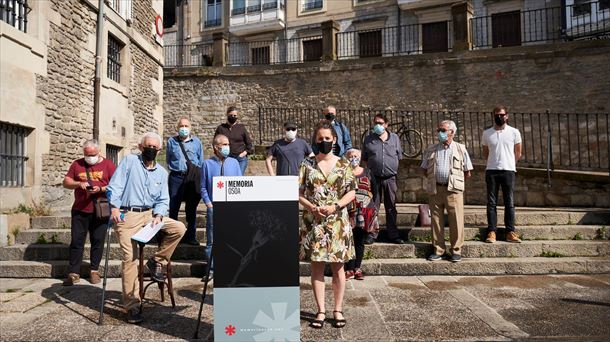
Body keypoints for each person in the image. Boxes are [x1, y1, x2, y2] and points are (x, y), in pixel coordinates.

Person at [107, 132, 186, 324]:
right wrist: (115, 207)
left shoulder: (161, 172)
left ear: (159, 150)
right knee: (130, 258)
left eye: (154, 147)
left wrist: (159, 214)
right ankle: (132, 306)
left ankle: (156, 260)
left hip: (150, 215)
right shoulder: (129, 162)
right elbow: (115, 186)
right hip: (128, 214)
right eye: (147, 146)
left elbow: (163, 199)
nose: (151, 149)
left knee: (179, 228)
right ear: (141, 147)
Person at [299, 121, 356, 329]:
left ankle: (338, 309)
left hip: (337, 222)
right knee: (317, 268)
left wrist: (336, 205)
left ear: (334, 140)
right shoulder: (307, 164)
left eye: (327, 138)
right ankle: (321, 310)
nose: (324, 141)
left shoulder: (344, 164)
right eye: (320, 138)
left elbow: (352, 191)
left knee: (338, 268)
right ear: (316, 140)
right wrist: (312, 207)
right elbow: (299, 193)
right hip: (314, 222)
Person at [62, 139, 116, 286]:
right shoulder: (77, 164)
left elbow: (116, 185)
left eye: (92, 154)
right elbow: (66, 182)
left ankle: (94, 271)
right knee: (76, 241)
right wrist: (79, 184)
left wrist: (101, 189)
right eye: (87, 154)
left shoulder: (108, 165)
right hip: (80, 209)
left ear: (99, 152)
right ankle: (74, 273)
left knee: (98, 241)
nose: (89, 157)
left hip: (100, 210)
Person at [421, 120, 473, 263]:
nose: (440, 133)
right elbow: (424, 169)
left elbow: (467, 172)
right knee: (436, 221)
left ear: (452, 132)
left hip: (453, 190)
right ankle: (438, 250)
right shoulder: (431, 149)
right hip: (436, 188)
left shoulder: (460, 149)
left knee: (456, 220)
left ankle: (456, 250)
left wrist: (456, 183)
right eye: (439, 130)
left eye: (443, 130)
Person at [200, 134, 242, 278]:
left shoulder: (234, 163)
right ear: (216, 147)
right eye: (223, 144)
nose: (226, 147)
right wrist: (209, 204)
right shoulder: (207, 164)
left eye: (227, 144)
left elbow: (240, 185)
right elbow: (203, 187)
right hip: (214, 208)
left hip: (231, 209)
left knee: (231, 239)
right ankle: (211, 270)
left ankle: (229, 269)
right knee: (212, 241)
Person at [362, 113, 405, 244]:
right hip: (374, 178)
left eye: (380, 123)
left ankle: (393, 234)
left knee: (391, 206)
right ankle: (371, 233)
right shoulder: (369, 139)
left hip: (390, 178)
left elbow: (399, 156)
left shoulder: (395, 138)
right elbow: (364, 158)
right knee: (373, 206)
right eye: (375, 123)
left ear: (386, 125)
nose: (377, 125)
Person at [482, 105, 522, 243]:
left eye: (502, 114)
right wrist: (493, 163)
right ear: (493, 116)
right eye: (496, 115)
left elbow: (518, 152)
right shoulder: (487, 133)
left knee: (509, 202)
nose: (499, 117)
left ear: (507, 116)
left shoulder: (514, 132)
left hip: (508, 170)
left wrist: (510, 163)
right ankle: (492, 231)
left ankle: (510, 231)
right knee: (491, 203)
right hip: (491, 170)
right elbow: (486, 153)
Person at [166, 117, 204, 246]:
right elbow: (168, 159)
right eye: (181, 126)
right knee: (174, 207)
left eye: (186, 126)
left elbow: (201, 161)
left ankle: (191, 236)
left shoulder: (197, 142)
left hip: (192, 178)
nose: (184, 128)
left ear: (190, 128)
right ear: (177, 128)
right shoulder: (171, 141)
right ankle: (172, 236)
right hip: (176, 177)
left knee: (191, 207)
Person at [344, 148, 378, 280]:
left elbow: (374, 191)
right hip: (349, 212)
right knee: (348, 241)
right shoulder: (344, 173)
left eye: (356, 156)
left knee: (359, 241)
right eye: (351, 156)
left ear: (360, 157)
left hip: (364, 213)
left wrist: (372, 208)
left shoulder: (368, 172)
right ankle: (349, 269)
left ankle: (357, 267)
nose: (353, 158)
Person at [215, 106, 254, 175]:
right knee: (227, 176)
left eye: (234, 115)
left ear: (237, 116)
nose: (233, 117)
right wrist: (219, 154)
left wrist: (244, 153)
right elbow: (215, 143)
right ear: (227, 115)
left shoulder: (241, 128)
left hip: (240, 158)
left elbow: (249, 143)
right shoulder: (221, 128)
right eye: (231, 115)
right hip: (226, 158)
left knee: (238, 178)